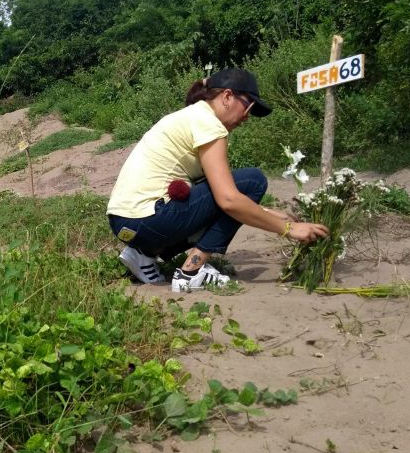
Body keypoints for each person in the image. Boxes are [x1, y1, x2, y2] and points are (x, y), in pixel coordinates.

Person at [106, 68, 329, 291]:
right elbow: (228, 200)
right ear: (227, 96)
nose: (247, 116)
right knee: (253, 181)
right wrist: (289, 229)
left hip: (126, 222)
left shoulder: (192, 115)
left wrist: (268, 213)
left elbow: (212, 196)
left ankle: (142, 253)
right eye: (248, 105)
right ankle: (190, 272)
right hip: (150, 218)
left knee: (235, 192)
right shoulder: (208, 123)